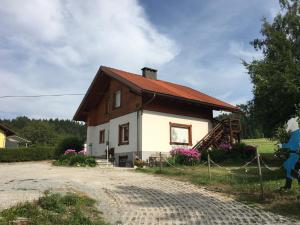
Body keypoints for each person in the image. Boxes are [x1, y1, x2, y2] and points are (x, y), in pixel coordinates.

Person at [279, 117, 300, 190]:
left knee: (287, 166)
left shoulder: (297, 133)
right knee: (289, 169)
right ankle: (287, 186)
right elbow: (290, 144)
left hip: (296, 155)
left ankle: (298, 177)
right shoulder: (295, 133)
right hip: (293, 154)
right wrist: (282, 145)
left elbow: (295, 144)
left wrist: (282, 145)